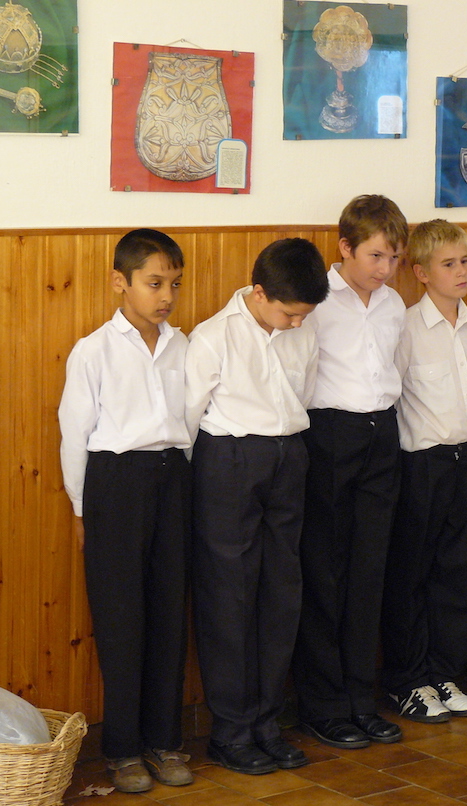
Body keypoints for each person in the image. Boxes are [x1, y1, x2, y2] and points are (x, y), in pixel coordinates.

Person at [185, 238, 329, 775]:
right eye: (289, 313)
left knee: (281, 594)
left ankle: (267, 724)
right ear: (259, 292)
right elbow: (188, 418)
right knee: (229, 597)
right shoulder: (212, 336)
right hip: (228, 459)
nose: (297, 324)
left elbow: (303, 395)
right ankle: (231, 731)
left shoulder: (302, 330)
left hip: (289, 455)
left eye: (304, 315)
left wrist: (282, 445)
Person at [58, 229, 192, 793]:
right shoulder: (94, 350)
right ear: (121, 282)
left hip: (174, 478)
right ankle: (122, 749)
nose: (166, 296)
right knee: (120, 619)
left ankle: (165, 740)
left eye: (174, 285)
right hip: (114, 484)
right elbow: (74, 433)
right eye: (154, 283)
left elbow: (194, 419)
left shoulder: (183, 346)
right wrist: (81, 508)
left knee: (169, 612)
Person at [292, 194, 408, 749]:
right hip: (329, 434)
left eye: (394, 258)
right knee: (325, 572)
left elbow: (393, 370)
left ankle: (362, 699)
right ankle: (323, 705)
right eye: (375, 256)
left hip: (381, 435)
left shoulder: (393, 305)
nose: (385, 269)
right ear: (344, 248)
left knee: (369, 572)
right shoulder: (317, 300)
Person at [381, 219, 467, 722]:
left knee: (458, 574)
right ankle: (408, 680)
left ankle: (445, 674)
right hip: (422, 465)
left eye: (464, 261)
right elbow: (392, 396)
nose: (461, 271)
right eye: (448, 264)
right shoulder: (405, 328)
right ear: (421, 273)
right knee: (413, 577)